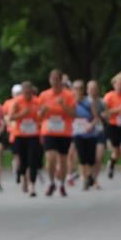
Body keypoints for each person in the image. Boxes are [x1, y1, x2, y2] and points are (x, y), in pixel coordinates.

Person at [37, 69, 77, 197]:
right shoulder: (44, 95)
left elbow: (73, 114)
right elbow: (38, 115)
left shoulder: (68, 95)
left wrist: (63, 105)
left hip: (64, 131)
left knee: (63, 160)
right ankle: (51, 182)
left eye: (56, 79)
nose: (54, 82)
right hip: (48, 130)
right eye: (52, 79)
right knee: (51, 158)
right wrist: (42, 111)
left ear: (61, 80)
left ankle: (62, 184)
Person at [6, 81, 42, 198]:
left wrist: (40, 116)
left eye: (29, 92)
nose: (27, 95)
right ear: (22, 92)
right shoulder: (17, 102)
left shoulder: (37, 101)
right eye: (25, 92)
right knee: (22, 160)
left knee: (33, 160)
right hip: (20, 135)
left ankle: (32, 185)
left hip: (33, 135)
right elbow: (11, 117)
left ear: (32, 91)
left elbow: (42, 116)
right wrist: (22, 114)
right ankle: (23, 179)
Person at [72, 80, 104, 190]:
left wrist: (91, 125)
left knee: (91, 158)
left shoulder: (89, 103)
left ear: (83, 90)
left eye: (80, 88)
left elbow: (96, 118)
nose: (77, 91)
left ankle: (90, 175)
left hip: (90, 134)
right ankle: (85, 180)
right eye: (75, 88)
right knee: (82, 158)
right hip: (78, 133)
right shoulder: (70, 102)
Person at [3, 83, 23, 184]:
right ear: (13, 94)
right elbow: (4, 116)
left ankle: (20, 166)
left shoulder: (24, 102)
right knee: (16, 153)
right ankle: (17, 168)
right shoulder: (8, 103)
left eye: (19, 93)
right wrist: (9, 123)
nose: (18, 95)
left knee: (23, 152)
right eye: (16, 93)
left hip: (23, 131)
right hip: (13, 132)